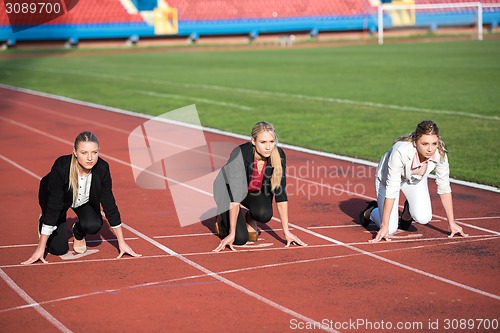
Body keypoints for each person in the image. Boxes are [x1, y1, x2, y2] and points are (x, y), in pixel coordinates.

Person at [22, 131, 141, 264]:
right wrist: (40, 248)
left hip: (83, 199)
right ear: (75, 152)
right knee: (58, 249)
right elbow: (54, 206)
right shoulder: (61, 167)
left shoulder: (102, 168)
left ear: (99, 151)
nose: (90, 158)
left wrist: (122, 243)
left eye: (94, 152)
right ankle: (43, 220)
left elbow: (109, 203)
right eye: (84, 153)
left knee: (94, 224)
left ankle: (78, 233)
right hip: (55, 198)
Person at [359, 120, 468, 243]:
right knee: (389, 228)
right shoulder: (400, 152)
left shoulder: (440, 153)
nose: (430, 149)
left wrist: (451, 222)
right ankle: (372, 211)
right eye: (425, 144)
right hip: (387, 180)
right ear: (415, 142)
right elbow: (391, 189)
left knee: (424, 217)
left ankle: (408, 209)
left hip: (415, 180)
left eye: (434, 143)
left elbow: (444, 187)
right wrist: (384, 226)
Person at [212, 121, 307, 252]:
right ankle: (221, 219)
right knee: (240, 239)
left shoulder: (278, 155)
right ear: (253, 141)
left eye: (271, 142)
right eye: (263, 142)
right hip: (226, 190)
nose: (268, 147)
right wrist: (232, 233)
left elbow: (280, 194)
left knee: (264, 214)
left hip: (251, 190)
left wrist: (286, 232)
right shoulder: (240, 154)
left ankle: (249, 217)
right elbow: (235, 196)